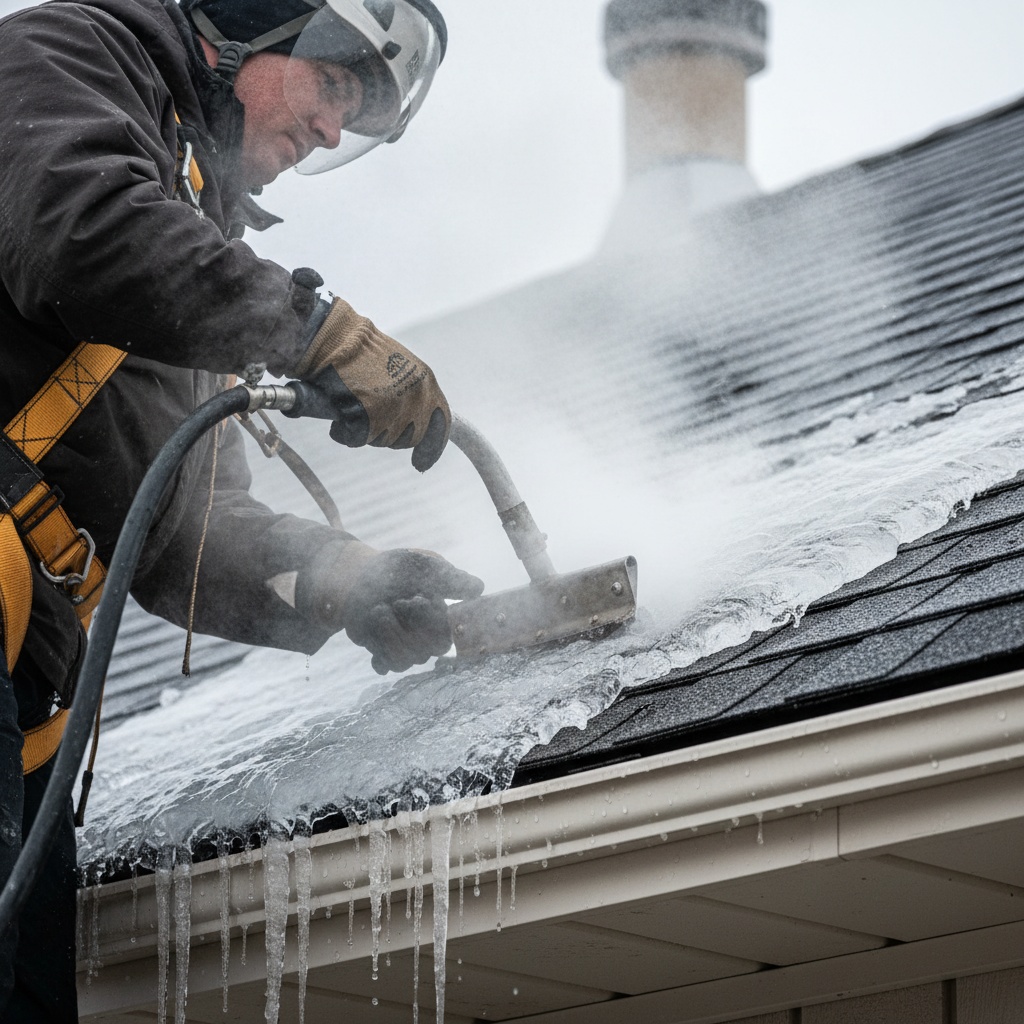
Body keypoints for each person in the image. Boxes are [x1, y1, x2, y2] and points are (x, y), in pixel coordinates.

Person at [0, 0, 481, 1017]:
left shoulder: (191, 258)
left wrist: (341, 577)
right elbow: (78, 232)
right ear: (259, 26)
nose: (329, 132)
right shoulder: (66, 56)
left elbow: (184, 530)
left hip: (26, 701)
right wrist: (310, 331)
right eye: (335, 88)